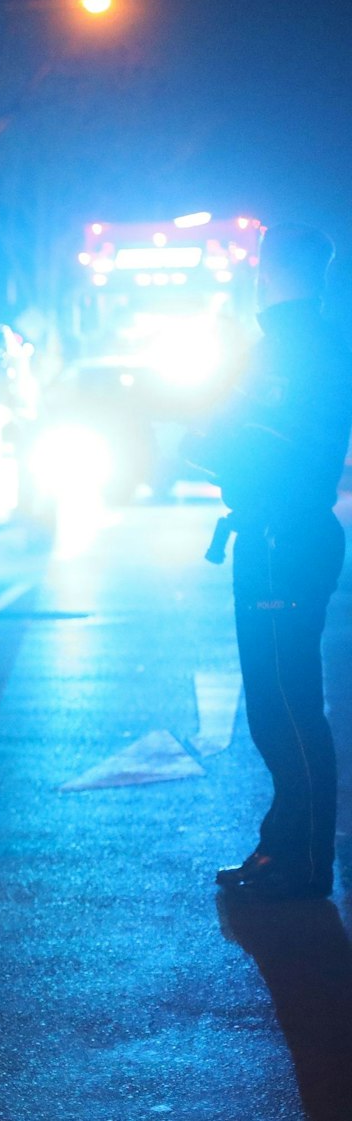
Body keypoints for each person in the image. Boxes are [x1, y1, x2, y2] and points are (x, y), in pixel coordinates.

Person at [186, 224, 352, 900]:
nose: (256, 275)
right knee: (272, 701)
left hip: (284, 537)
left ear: (285, 273)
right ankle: (283, 844)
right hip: (272, 535)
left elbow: (264, 442)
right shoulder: (288, 343)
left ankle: (306, 861)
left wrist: (208, 440)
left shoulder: (298, 349)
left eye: (264, 265)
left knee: (287, 702)